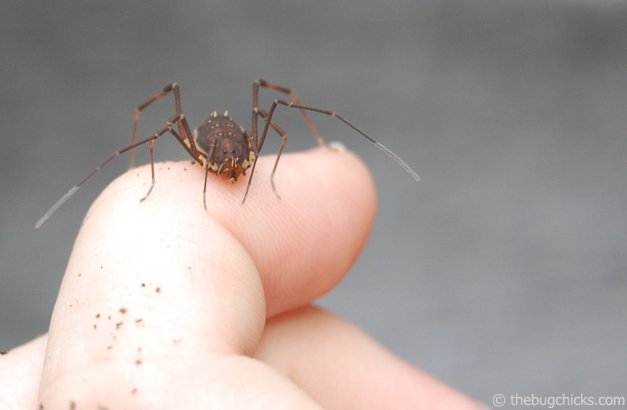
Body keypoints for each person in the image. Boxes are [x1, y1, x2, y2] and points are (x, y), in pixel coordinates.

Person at [0, 148, 484, 409]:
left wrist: (268, 175)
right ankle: (133, 176)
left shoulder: (244, 161)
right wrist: (143, 180)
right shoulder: (200, 162)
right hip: (212, 152)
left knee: (269, 97)